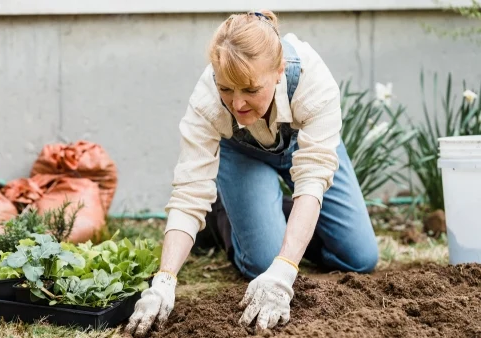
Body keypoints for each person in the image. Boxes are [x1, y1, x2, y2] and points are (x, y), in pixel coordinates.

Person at [125, 9, 379, 337]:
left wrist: (286, 269)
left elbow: (313, 178)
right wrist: (164, 280)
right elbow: (189, 193)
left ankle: (264, 213)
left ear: (278, 71)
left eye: (249, 89)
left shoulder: (312, 80)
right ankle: (224, 216)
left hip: (305, 148)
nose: (237, 104)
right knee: (262, 264)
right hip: (241, 155)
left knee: (360, 257)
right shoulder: (206, 102)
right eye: (226, 89)